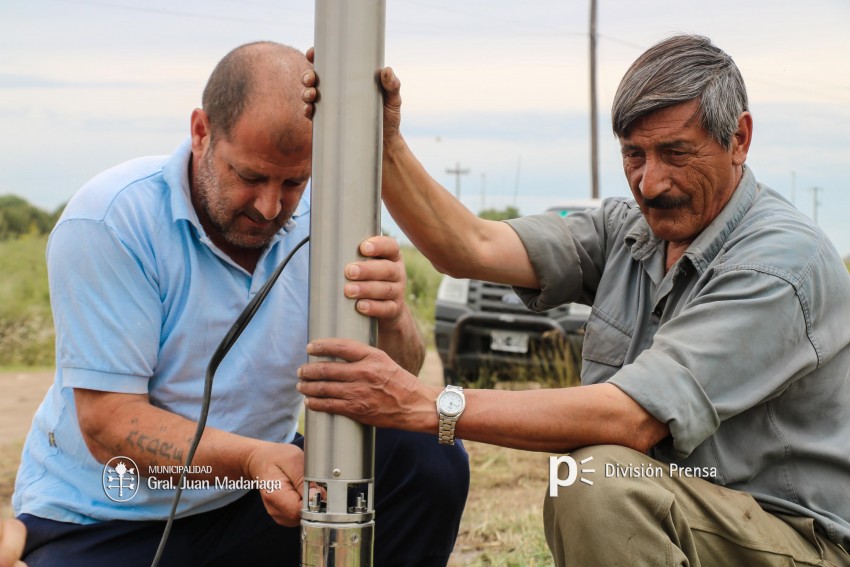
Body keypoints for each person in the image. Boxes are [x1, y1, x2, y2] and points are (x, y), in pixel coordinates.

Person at [297, 35, 850, 565]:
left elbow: (632, 418)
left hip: (790, 538)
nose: (650, 183)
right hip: (684, 511)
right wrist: (384, 143)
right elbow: (469, 245)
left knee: (596, 481)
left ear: (740, 139)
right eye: (634, 154)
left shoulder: (779, 261)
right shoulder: (630, 232)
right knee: (595, 476)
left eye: (676, 153)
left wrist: (425, 404)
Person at [12, 41, 468, 566]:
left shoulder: (333, 220)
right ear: (201, 132)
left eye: (294, 181)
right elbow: (108, 423)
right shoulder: (111, 219)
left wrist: (391, 315)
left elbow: (397, 377)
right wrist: (254, 459)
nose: (270, 207)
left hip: (257, 497)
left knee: (426, 454)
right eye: (250, 176)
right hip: (108, 519)